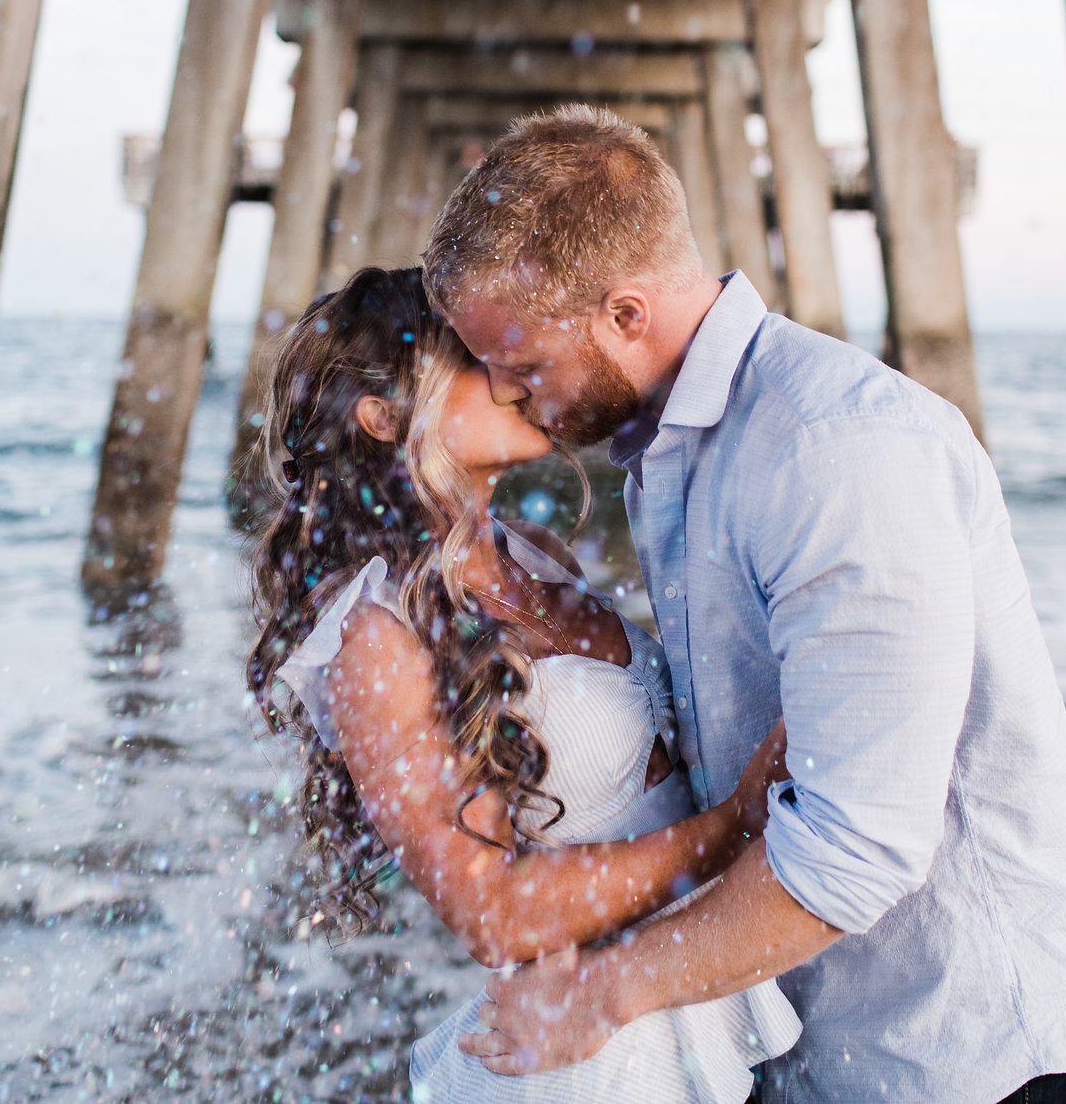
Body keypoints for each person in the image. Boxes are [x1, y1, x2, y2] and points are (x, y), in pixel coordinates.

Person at [423, 106, 1066, 1104]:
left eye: (521, 366)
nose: (510, 398)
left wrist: (601, 994)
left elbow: (855, 846)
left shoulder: (834, 451)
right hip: (844, 1046)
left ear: (625, 315)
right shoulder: (672, 452)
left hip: (978, 1052)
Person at [244, 266, 801, 1103]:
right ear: (384, 416)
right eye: (474, 358)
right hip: (582, 1065)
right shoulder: (375, 641)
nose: (512, 373)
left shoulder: (534, 552)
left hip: (683, 1001)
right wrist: (728, 827)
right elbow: (490, 909)